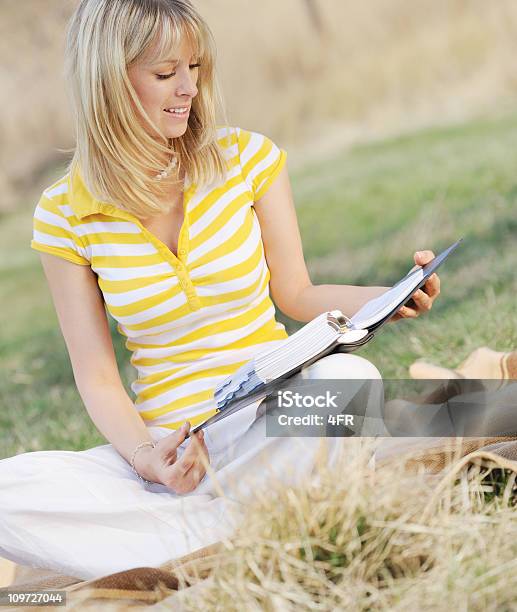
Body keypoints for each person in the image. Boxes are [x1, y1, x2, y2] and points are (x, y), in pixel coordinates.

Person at [0, 0, 440, 580]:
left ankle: (186, 543)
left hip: (268, 419)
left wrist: (386, 298)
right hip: (166, 455)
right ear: (107, 81)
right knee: (11, 490)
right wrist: (146, 457)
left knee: (350, 385)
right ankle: (241, 526)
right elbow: (97, 376)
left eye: (195, 67)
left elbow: (298, 292)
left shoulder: (246, 158)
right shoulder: (64, 214)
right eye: (165, 74)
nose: (188, 88)